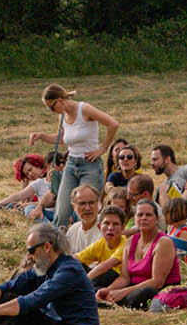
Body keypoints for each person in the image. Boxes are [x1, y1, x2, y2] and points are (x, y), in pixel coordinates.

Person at [29, 85, 120, 230]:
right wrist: (41, 136)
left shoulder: (85, 109)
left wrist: (103, 148)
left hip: (90, 164)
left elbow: (113, 124)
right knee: (62, 209)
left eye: (51, 107)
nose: (51, 111)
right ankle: (59, 244)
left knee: (87, 208)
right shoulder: (62, 116)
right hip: (71, 164)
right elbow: (63, 139)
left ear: (59, 101)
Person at [97, 198, 182, 309]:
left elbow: (157, 282)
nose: (144, 218)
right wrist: (109, 290)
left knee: (142, 293)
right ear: (135, 219)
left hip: (157, 291)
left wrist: (123, 292)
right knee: (105, 277)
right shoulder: (130, 241)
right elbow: (124, 277)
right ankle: (105, 299)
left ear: (157, 219)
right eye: (140, 215)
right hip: (133, 287)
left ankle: (114, 303)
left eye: (148, 215)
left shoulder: (164, 242)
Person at [78, 205, 130, 283]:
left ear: (122, 228)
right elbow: (77, 257)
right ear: (99, 227)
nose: (110, 228)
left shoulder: (125, 243)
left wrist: (84, 281)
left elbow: (106, 265)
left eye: (115, 224)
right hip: (97, 278)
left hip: (115, 281)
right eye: (106, 223)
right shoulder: (100, 243)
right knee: (76, 265)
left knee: (108, 273)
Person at [151, 145, 187, 216]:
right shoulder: (164, 185)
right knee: (162, 188)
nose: (152, 163)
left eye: (155, 159)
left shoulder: (186, 170)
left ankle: (178, 213)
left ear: (167, 159)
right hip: (172, 215)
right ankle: (174, 216)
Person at [60, 186, 104, 257]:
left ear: (98, 204)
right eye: (82, 204)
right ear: (73, 207)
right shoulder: (73, 230)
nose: (87, 208)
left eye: (91, 203)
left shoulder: (107, 227)